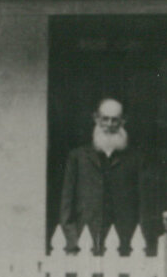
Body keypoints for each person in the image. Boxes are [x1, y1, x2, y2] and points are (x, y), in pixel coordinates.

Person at [59, 98, 149, 256]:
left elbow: (144, 206)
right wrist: (73, 243)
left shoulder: (136, 159)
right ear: (96, 118)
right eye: (105, 119)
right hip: (85, 242)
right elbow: (66, 205)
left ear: (123, 121)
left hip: (125, 244)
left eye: (115, 120)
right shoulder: (78, 157)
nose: (109, 124)